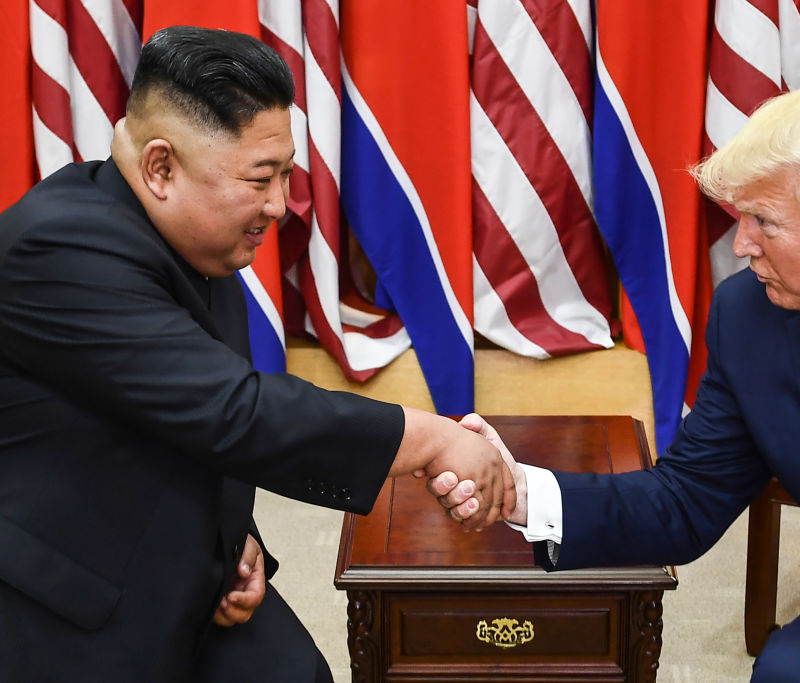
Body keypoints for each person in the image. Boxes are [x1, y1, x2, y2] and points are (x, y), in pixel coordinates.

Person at [433, 84, 800, 682]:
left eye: (765, 223)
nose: (742, 246)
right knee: (790, 674)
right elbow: (685, 499)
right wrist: (523, 493)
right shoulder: (753, 319)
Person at [0, 26, 512, 682]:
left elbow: (178, 409)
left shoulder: (194, 237)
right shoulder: (58, 250)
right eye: (260, 179)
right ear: (161, 167)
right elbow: (233, 410)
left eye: (287, 175)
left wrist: (232, 530)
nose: (280, 204)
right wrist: (431, 439)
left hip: (194, 564)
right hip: (67, 601)